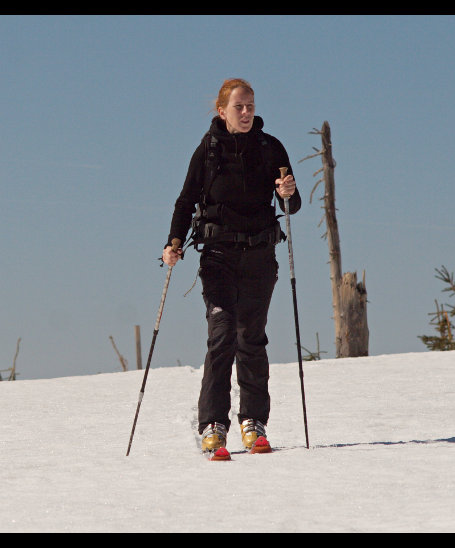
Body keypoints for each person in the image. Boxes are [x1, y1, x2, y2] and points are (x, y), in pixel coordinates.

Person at [163, 78, 300, 456]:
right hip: (218, 256)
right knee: (222, 335)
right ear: (222, 111)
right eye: (239, 106)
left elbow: (291, 203)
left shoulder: (270, 148)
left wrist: (287, 193)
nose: (246, 112)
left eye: (250, 106)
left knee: (251, 337)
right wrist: (173, 242)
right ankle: (213, 424)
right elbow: (185, 202)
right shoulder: (208, 150)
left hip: (260, 256)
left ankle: (253, 423)